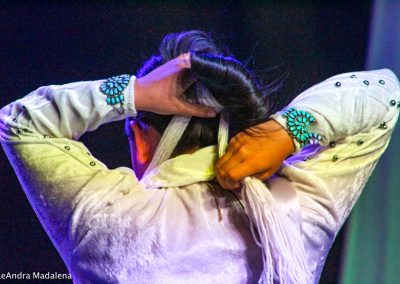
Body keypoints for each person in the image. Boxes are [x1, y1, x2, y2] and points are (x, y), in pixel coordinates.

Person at [1, 30, 399, 284]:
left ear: (140, 140)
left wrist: (134, 92)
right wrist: (287, 130)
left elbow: (18, 123)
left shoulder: (105, 217)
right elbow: (385, 92)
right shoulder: (292, 210)